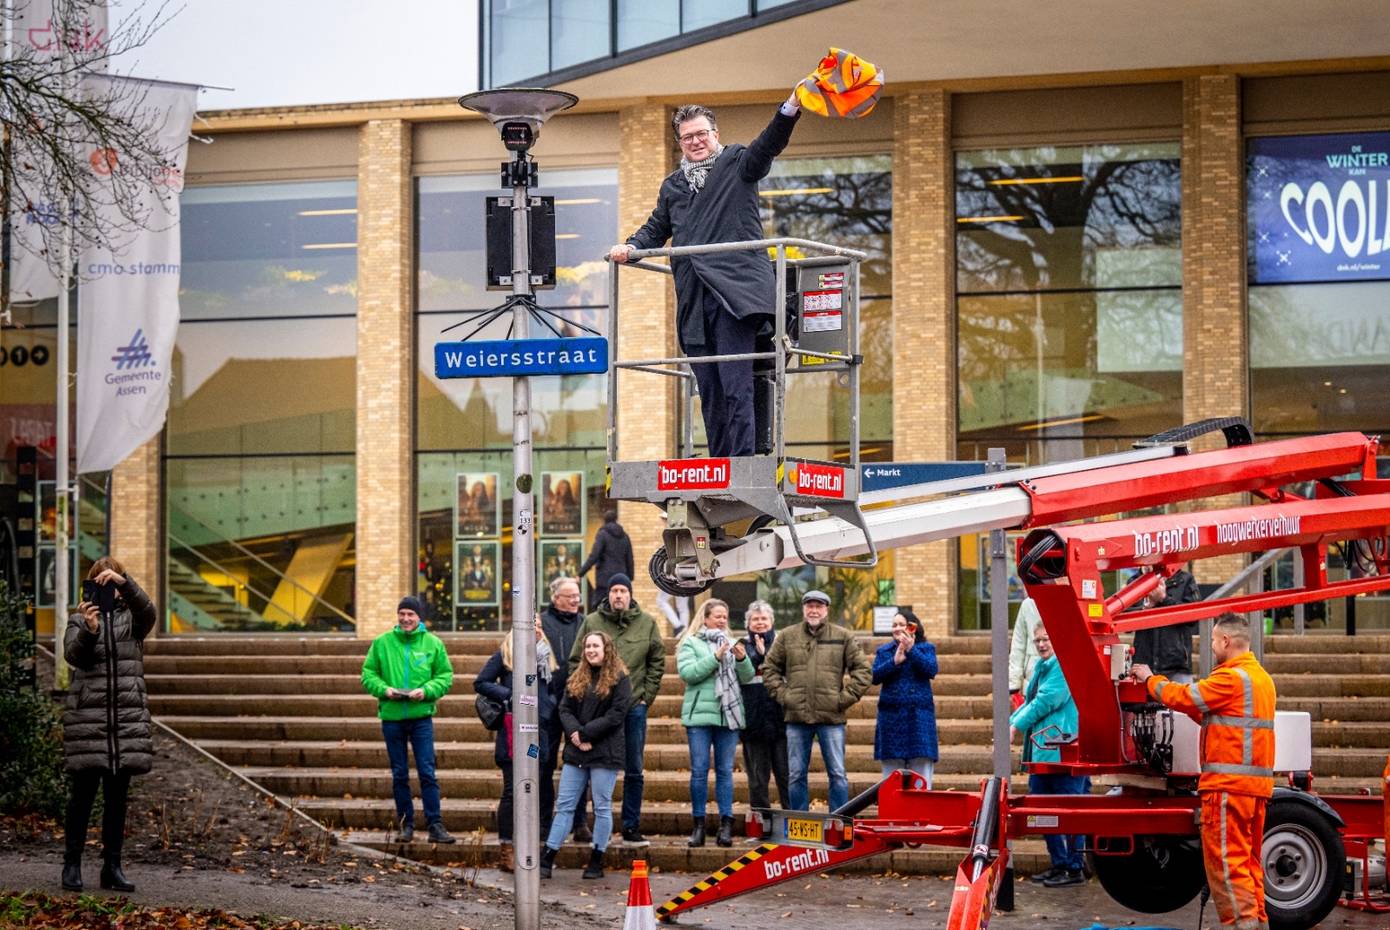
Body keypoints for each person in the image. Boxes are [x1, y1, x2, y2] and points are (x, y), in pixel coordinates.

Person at [608, 91, 804, 457]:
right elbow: (656, 228)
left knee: (736, 384)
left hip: (734, 295)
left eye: (702, 134)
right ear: (679, 142)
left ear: (715, 134)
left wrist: (791, 107)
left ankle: (742, 462)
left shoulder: (737, 163)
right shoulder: (673, 186)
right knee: (709, 392)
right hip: (694, 299)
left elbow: (769, 144)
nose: (696, 142)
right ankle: (719, 463)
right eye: (687, 137)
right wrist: (631, 247)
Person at [1130, 613, 1276, 930]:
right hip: (1254, 789)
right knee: (1249, 864)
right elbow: (1221, 719)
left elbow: (1185, 696)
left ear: (1225, 641)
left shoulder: (1231, 678)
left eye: (1211, 640)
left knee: (1226, 863)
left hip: (1228, 789)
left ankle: (1241, 925)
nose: (1211, 646)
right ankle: (1257, 922)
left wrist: (1150, 680)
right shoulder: (1260, 679)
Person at [61, 557, 157, 893]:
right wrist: (89, 631)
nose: (107, 589)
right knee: (81, 799)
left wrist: (125, 580)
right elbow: (74, 656)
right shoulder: (79, 619)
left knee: (117, 801)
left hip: (125, 724)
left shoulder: (133, 621)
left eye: (111, 582)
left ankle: (112, 867)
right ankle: (71, 865)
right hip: (89, 723)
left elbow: (150, 612)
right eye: (100, 582)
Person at [567, 573, 665, 846]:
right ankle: (586, 827)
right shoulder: (592, 622)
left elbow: (657, 660)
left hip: (633, 708)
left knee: (634, 768)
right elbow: (576, 660)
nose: (618, 595)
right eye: (614, 590)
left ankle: (631, 827)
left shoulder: (647, 624)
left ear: (630, 594)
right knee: (588, 765)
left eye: (623, 590)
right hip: (596, 711)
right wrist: (583, 697)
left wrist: (646, 695)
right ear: (608, 594)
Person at [762, 589, 873, 812]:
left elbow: (863, 672)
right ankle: (799, 824)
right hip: (796, 717)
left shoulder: (843, 636)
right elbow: (769, 669)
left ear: (826, 610)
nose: (814, 610)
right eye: (809, 605)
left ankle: (839, 823)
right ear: (803, 609)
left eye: (818, 606)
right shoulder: (787, 636)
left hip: (831, 717)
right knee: (795, 775)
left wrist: (841, 700)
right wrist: (785, 696)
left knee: (838, 774)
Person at [360, 596, 456, 845]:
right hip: (392, 717)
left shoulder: (433, 644)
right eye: (402, 613)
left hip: (421, 717)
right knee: (399, 773)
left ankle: (435, 824)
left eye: (410, 614)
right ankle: (406, 825)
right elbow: (368, 673)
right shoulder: (382, 643)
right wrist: (384, 689)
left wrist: (427, 691)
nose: (405, 618)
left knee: (427, 771)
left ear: (419, 617)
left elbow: (444, 675)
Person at [542, 631, 632, 881]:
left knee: (601, 806)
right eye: (588, 646)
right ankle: (548, 856)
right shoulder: (576, 677)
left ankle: (597, 859)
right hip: (576, 750)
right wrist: (574, 734)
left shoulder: (620, 678)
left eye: (596, 646)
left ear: (607, 649)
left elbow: (617, 714)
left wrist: (585, 734)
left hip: (605, 751)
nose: (591, 650)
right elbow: (564, 708)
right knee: (565, 806)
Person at [474, 617, 560, 872]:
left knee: (535, 788)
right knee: (513, 790)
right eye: (530, 623)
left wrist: (546, 709)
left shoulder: (546, 657)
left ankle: (529, 845)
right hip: (513, 734)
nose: (536, 629)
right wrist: (509, 695)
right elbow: (481, 682)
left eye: (539, 625)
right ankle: (507, 848)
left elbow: (552, 691)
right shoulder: (506, 654)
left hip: (539, 733)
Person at [1010, 625, 1086, 887]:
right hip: (1045, 750)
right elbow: (1036, 701)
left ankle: (1074, 867)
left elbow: (1045, 702)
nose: (1041, 644)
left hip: (1062, 750)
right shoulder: (1045, 666)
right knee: (1042, 809)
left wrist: (1013, 725)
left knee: (1070, 810)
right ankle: (1060, 863)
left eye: (1046, 639)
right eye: (1037, 640)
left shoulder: (1061, 667)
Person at [677, 598, 755, 847]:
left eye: (725, 616)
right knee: (699, 772)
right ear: (705, 617)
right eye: (717, 616)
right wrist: (715, 657)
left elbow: (748, 676)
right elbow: (689, 674)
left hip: (728, 715)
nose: (722, 620)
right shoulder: (691, 642)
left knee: (725, 772)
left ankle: (725, 825)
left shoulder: (733, 642)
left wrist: (742, 660)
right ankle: (698, 825)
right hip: (699, 716)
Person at [540, 576, 587, 840]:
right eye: (570, 596)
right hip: (548, 706)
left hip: (577, 709)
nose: (575, 600)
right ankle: (544, 821)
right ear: (556, 598)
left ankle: (579, 822)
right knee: (545, 764)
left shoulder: (584, 623)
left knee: (579, 764)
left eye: (577, 596)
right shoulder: (543, 623)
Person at [871, 608, 939, 784]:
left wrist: (911, 650)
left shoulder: (925, 648)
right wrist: (894, 662)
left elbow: (931, 670)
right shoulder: (884, 651)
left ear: (912, 627)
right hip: (891, 719)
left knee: (921, 775)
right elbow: (875, 676)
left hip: (919, 719)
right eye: (894, 625)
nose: (897, 628)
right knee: (892, 778)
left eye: (902, 624)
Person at [740, 599, 789, 836]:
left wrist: (766, 653)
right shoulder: (741, 646)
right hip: (753, 721)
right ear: (749, 623)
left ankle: (792, 825)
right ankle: (763, 828)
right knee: (758, 779)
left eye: (764, 619)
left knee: (786, 776)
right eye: (755, 619)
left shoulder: (784, 644)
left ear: (772, 622)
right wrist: (758, 655)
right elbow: (742, 671)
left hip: (781, 721)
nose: (760, 623)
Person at [1132, 570, 1201, 683]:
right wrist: (1145, 608)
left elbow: (1194, 617)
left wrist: (1164, 599)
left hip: (1177, 666)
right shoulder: (1136, 581)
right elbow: (1126, 623)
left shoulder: (1184, 579)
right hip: (1143, 666)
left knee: (1180, 700)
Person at [578, 510, 635, 612]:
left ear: (604, 520)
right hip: (621, 578)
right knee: (621, 608)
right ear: (616, 520)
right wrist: (629, 578)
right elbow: (630, 559)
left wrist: (580, 573)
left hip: (604, 579)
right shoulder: (625, 536)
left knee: (598, 608)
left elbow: (594, 556)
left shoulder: (602, 534)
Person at [1007, 597, 1043, 711]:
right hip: (1033, 679)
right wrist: (1014, 685)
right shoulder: (1028, 604)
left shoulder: (1068, 600)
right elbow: (1019, 644)